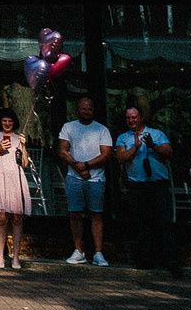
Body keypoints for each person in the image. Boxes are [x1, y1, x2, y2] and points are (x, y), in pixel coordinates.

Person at [114, 104, 178, 276]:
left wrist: (153, 146)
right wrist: (134, 147)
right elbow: (120, 158)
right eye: (128, 118)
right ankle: (145, 260)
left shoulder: (156, 133)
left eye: (134, 117)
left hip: (157, 184)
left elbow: (169, 152)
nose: (131, 121)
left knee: (164, 223)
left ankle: (170, 261)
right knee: (142, 224)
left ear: (141, 118)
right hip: (137, 186)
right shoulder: (123, 138)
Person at [57, 95, 114, 266]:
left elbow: (106, 154)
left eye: (89, 109)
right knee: (75, 214)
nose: (86, 111)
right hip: (74, 177)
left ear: (93, 110)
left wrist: (86, 165)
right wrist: (77, 167)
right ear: (78, 109)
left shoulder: (102, 130)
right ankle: (79, 251)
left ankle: (98, 253)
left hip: (96, 179)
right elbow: (62, 150)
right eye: (83, 108)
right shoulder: (69, 127)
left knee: (96, 214)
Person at [0, 111, 33, 269]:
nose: (7, 124)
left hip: (16, 178)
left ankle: (16, 258)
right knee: (1, 218)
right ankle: (0, 257)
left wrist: (24, 146)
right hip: (0, 177)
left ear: (14, 122)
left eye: (10, 121)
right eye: (4, 120)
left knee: (17, 218)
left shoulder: (19, 137)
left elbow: (25, 164)